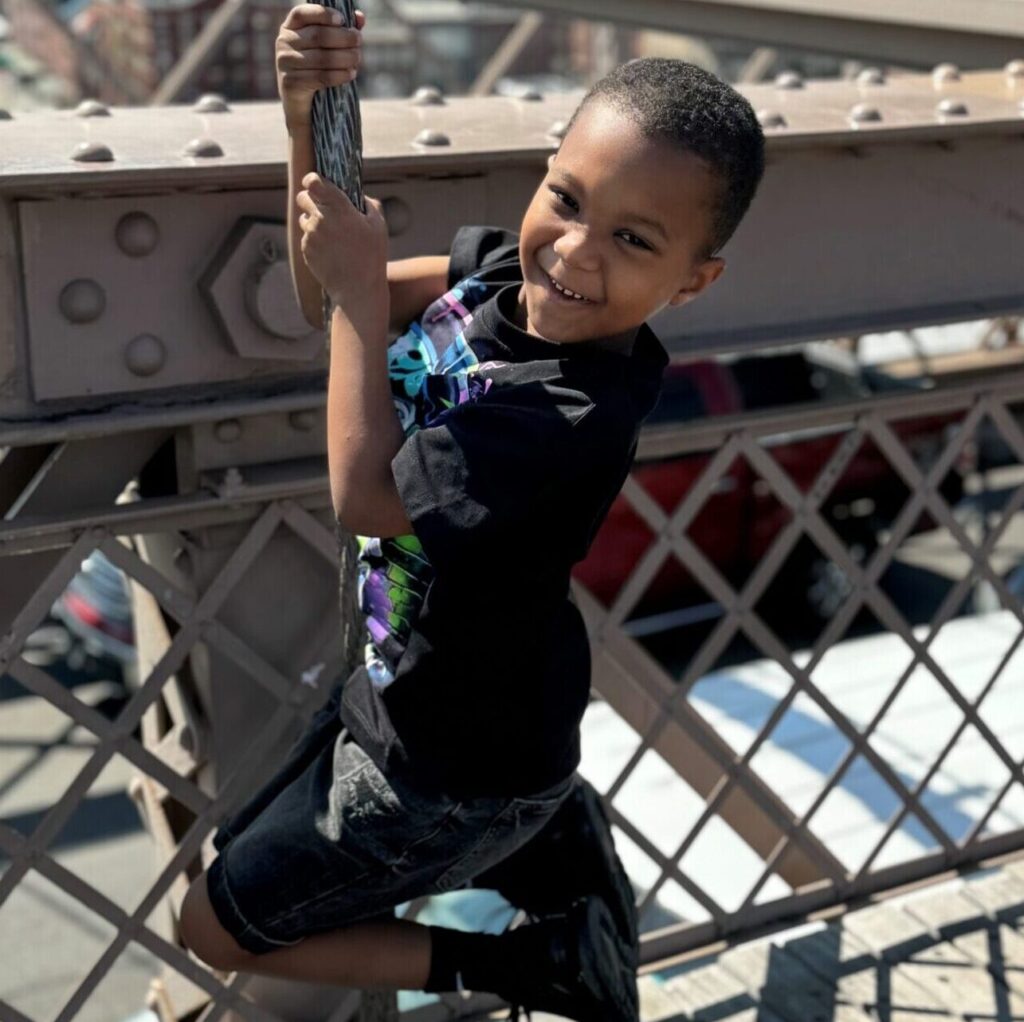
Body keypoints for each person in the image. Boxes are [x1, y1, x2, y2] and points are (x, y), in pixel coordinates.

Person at [179, 6, 765, 1019]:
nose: (575, 252)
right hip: (416, 700)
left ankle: (530, 959)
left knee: (212, 927)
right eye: (567, 198)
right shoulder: (497, 270)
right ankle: (549, 843)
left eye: (632, 239)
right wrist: (298, 115)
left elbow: (367, 495)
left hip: (447, 767)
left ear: (693, 280)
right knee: (248, 877)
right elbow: (329, 295)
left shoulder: (569, 407)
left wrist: (363, 299)